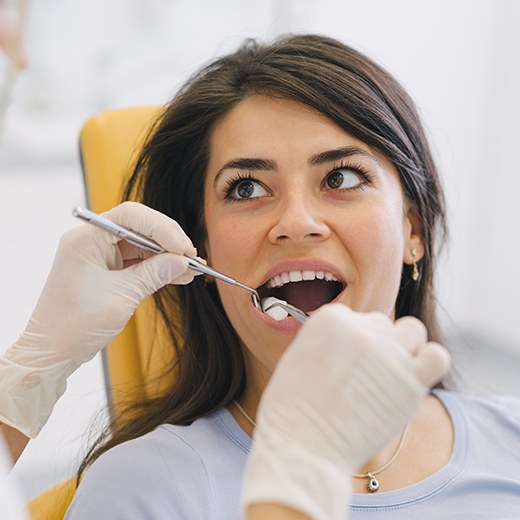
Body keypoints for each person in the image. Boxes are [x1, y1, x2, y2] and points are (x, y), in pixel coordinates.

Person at [1, 33, 519, 518]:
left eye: (340, 177)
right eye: (246, 188)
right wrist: (30, 369)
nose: (295, 222)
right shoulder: (142, 488)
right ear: (201, 251)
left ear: (413, 231)